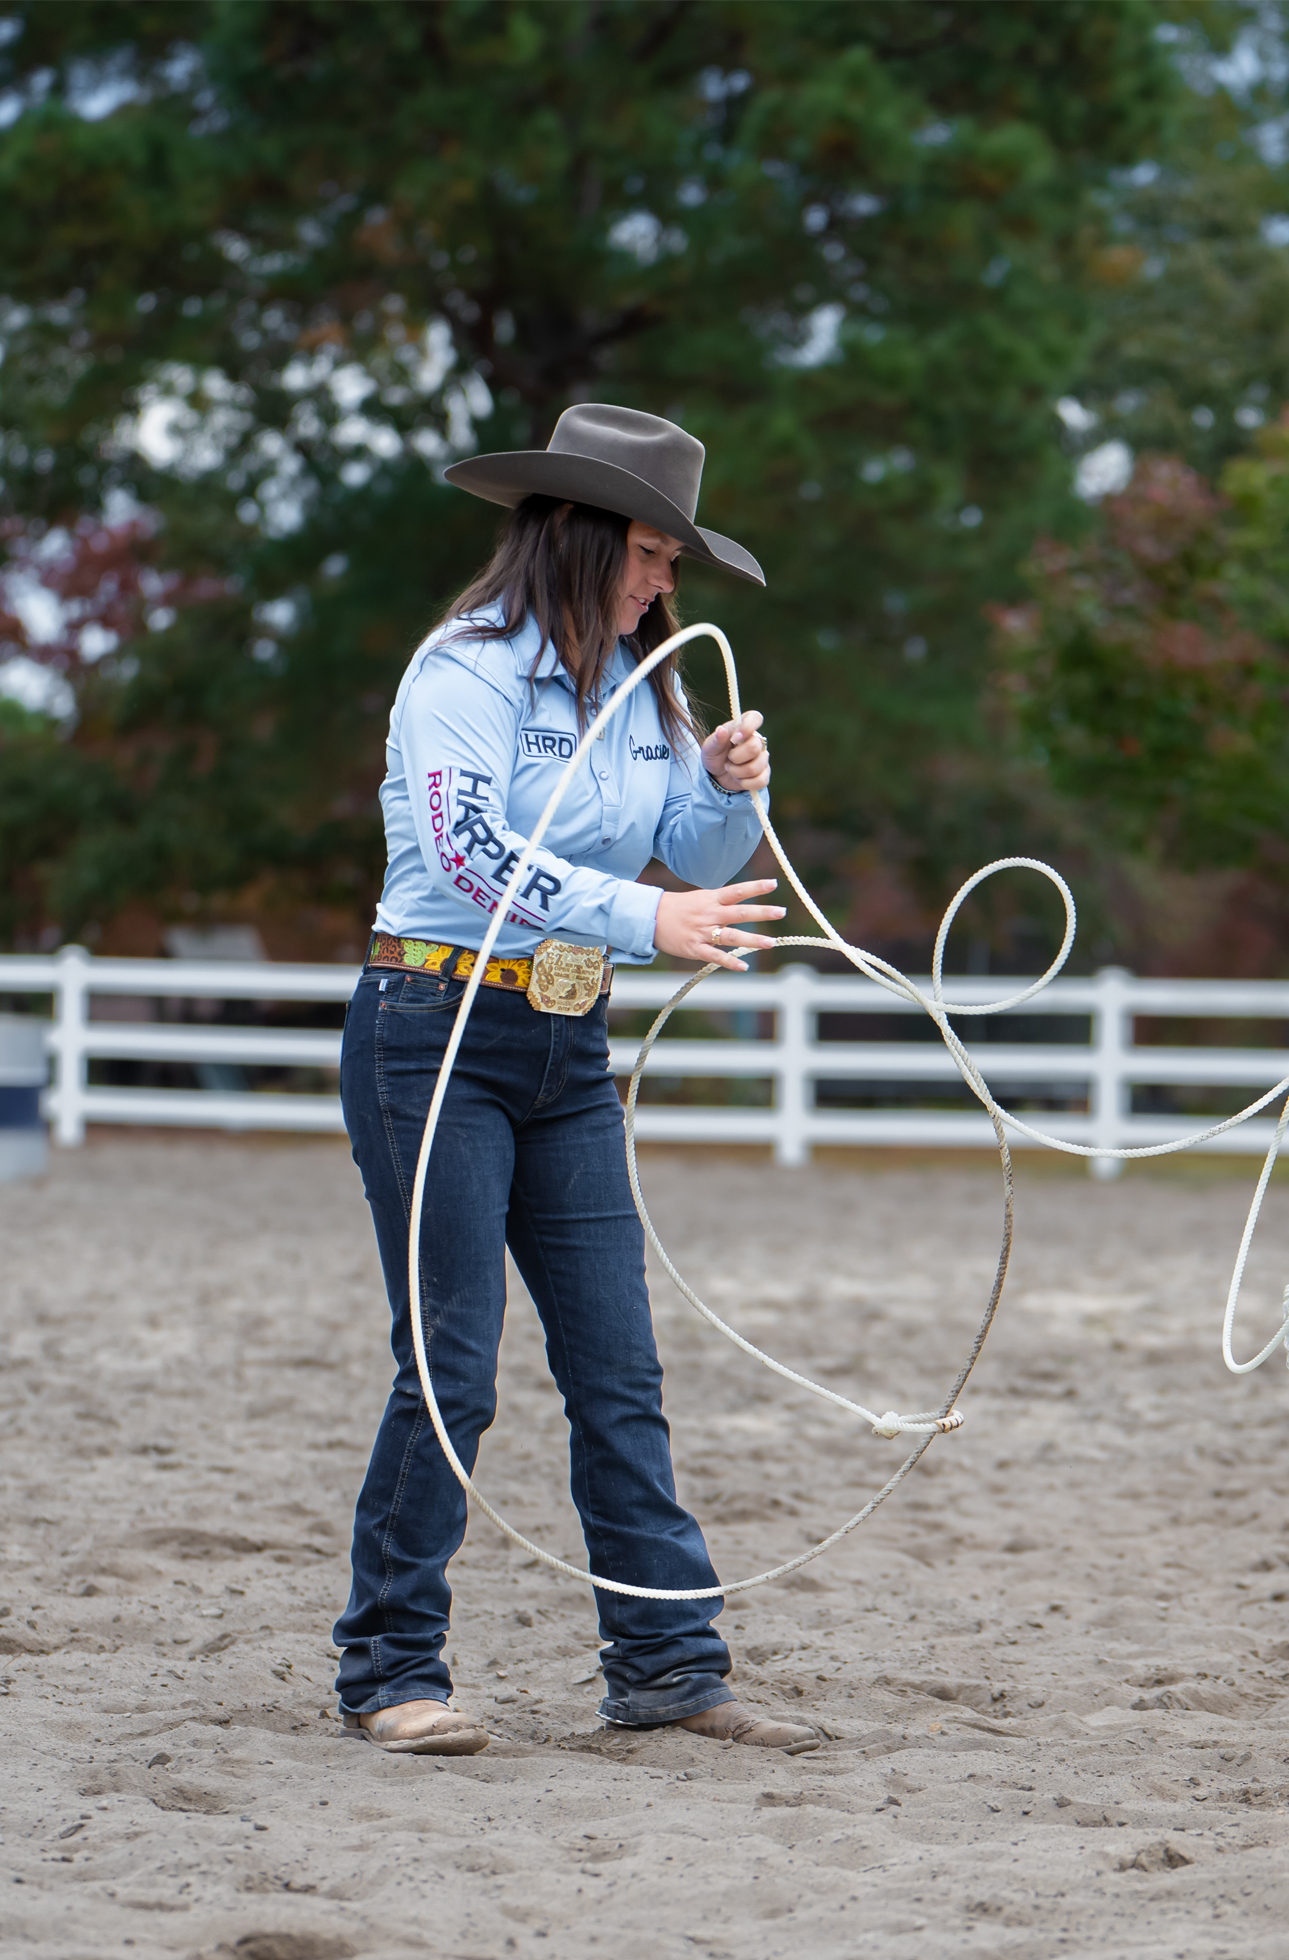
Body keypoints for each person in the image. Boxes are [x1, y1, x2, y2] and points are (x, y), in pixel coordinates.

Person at [332, 404, 814, 1757]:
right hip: (432, 1027)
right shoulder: (461, 674)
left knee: (619, 1363)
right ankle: (389, 1666)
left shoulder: (646, 689)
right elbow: (471, 853)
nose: (666, 583)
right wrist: (643, 920)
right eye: (654, 555)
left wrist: (723, 789)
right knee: (454, 1365)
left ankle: (665, 1663)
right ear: (584, 536)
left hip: (563, 1040)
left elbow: (698, 858)